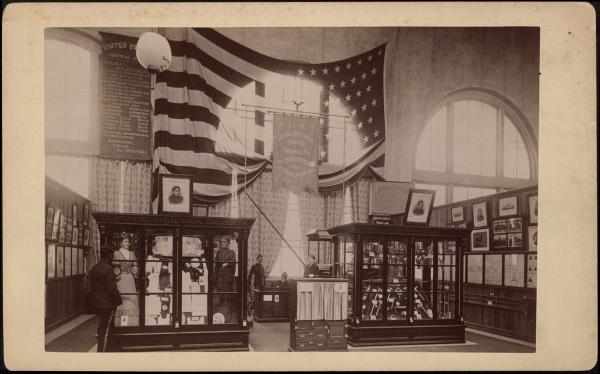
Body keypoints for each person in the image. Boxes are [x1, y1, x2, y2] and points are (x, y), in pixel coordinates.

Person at [89, 244, 122, 352]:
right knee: (106, 329)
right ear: (109, 255)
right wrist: (119, 300)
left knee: (101, 327)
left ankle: (102, 348)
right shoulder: (108, 270)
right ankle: (102, 351)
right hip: (107, 304)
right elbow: (112, 289)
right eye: (112, 254)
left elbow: (91, 288)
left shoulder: (94, 268)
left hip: (97, 303)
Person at [113, 233, 139, 326]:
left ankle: (132, 323)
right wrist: (117, 275)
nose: (127, 243)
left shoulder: (131, 253)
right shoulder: (116, 253)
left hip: (130, 278)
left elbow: (135, 265)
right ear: (120, 243)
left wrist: (135, 272)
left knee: (131, 299)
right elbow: (115, 267)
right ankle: (121, 323)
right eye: (125, 241)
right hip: (121, 279)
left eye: (128, 241)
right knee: (123, 299)